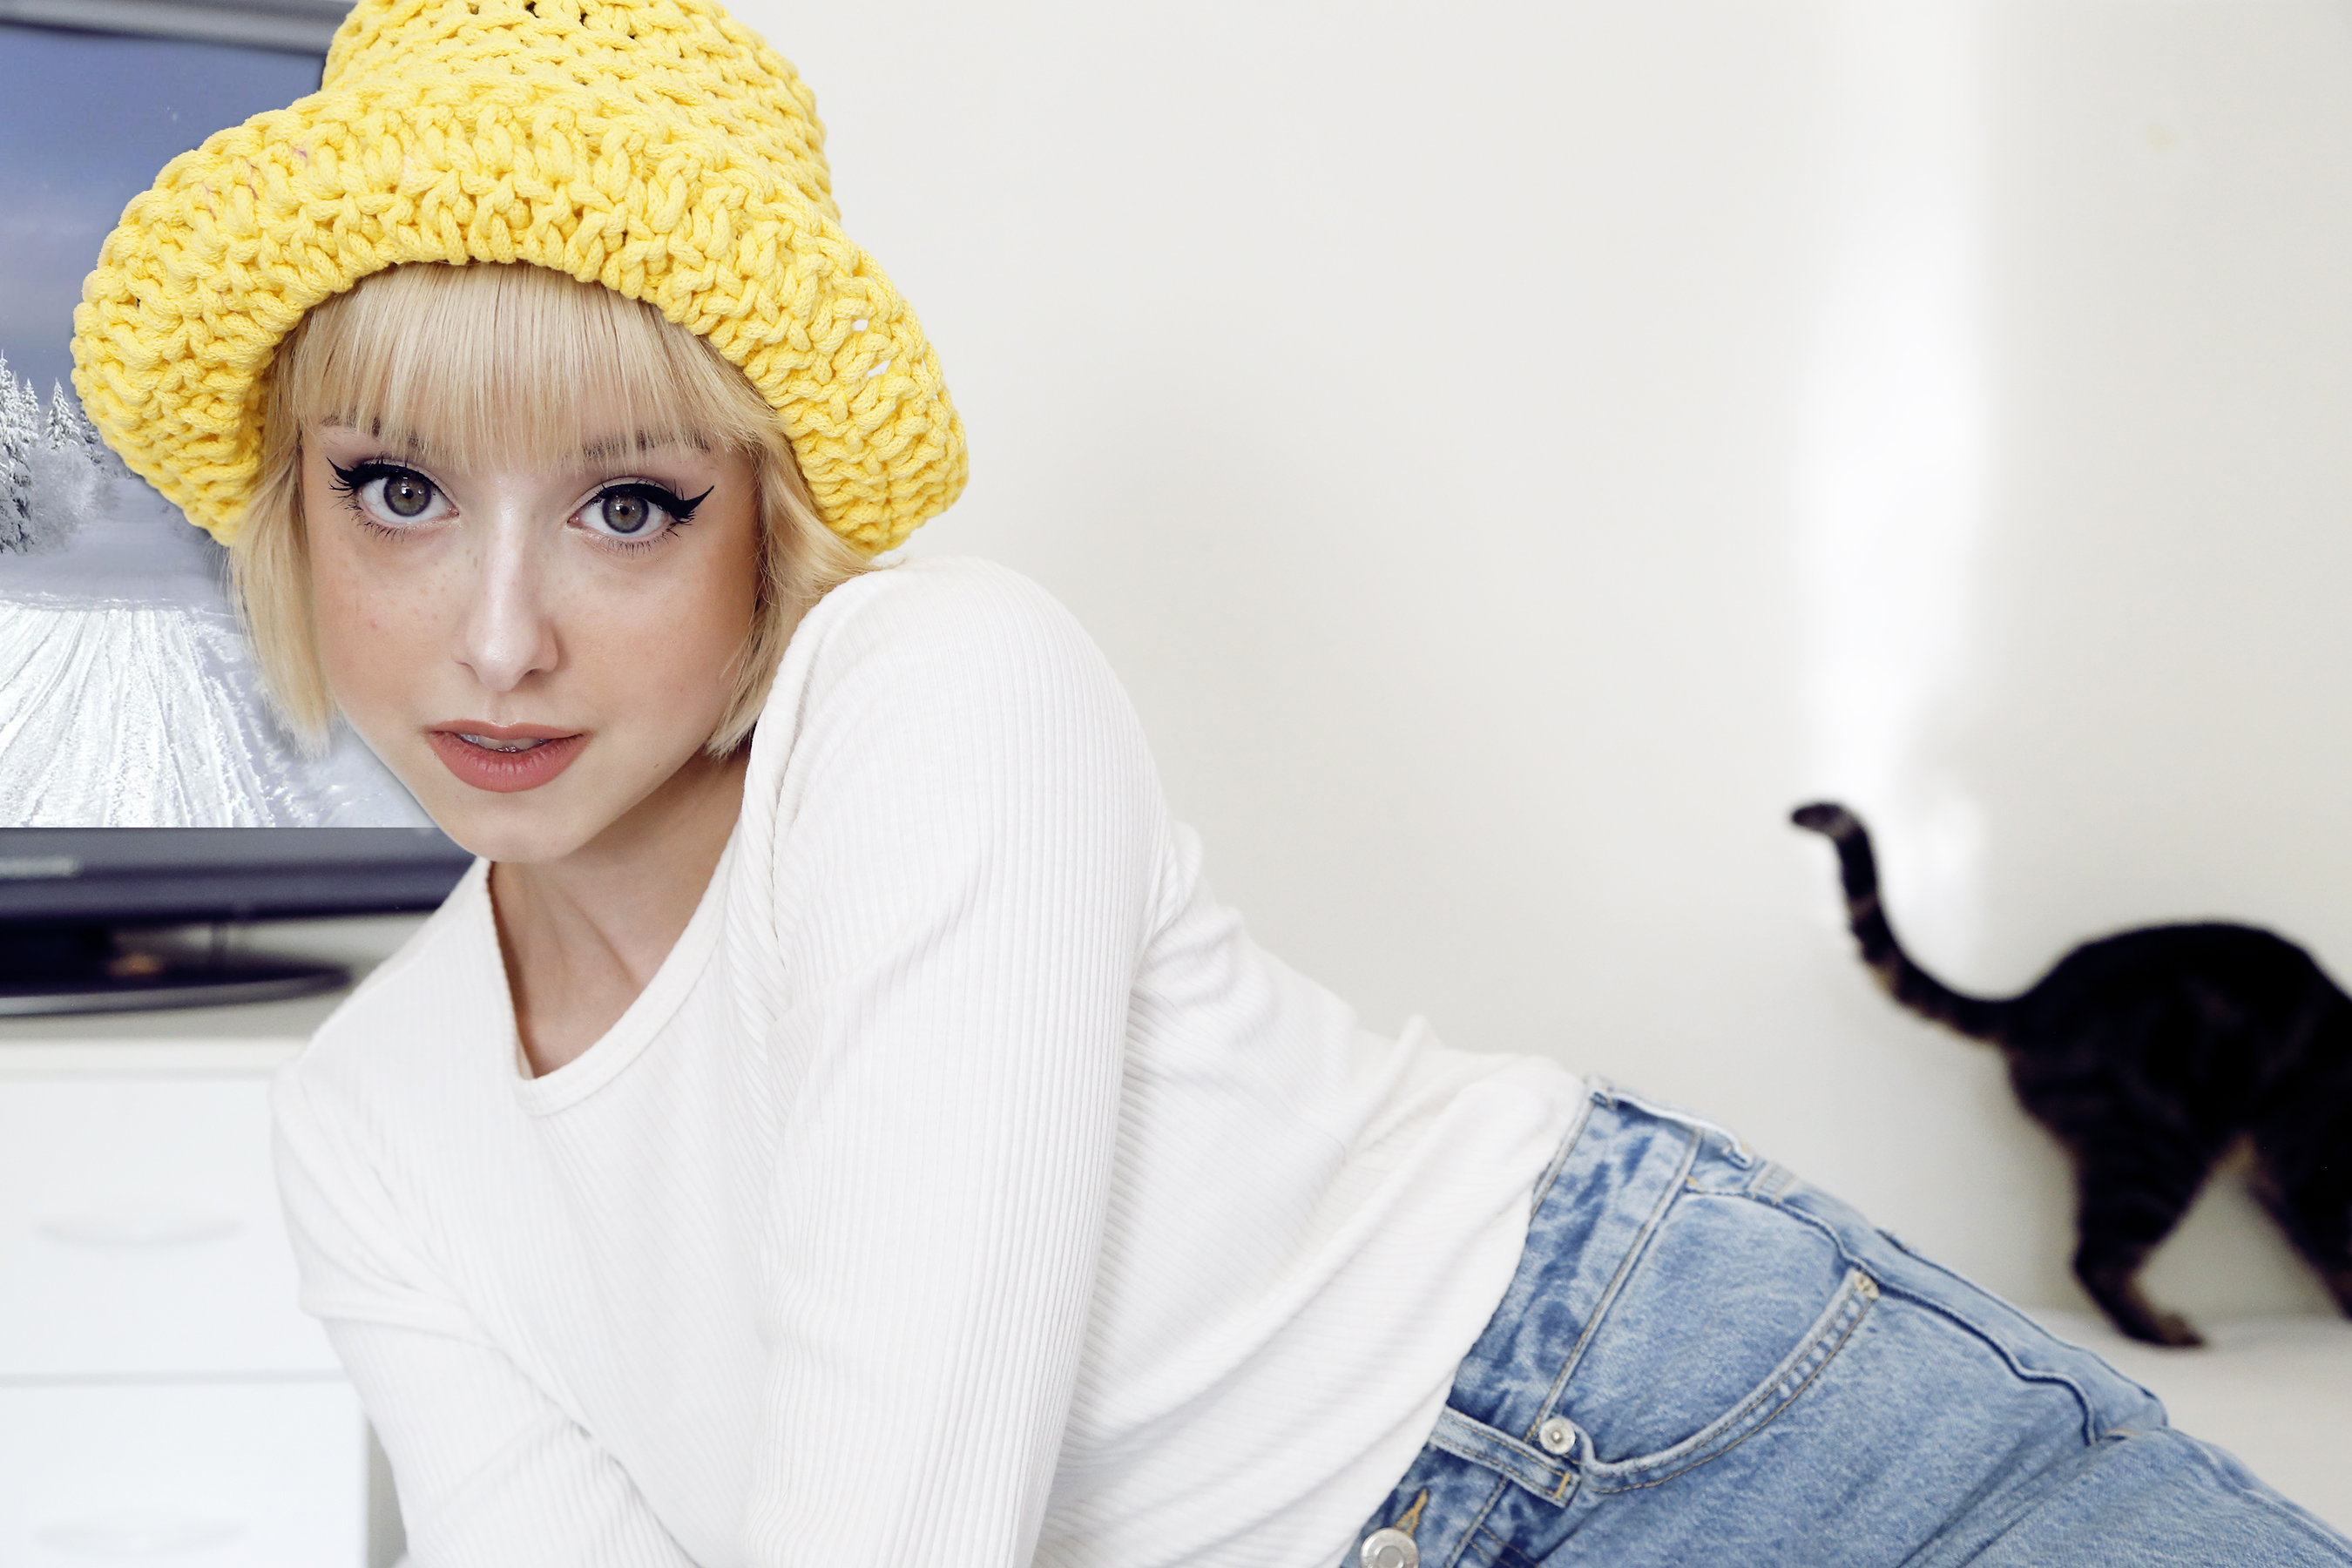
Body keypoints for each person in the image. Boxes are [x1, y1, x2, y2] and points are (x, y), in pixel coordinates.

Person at [71, 2, 2352, 1564]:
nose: (497, 638)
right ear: (283, 507)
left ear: (769, 522)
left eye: (629, 504)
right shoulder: (366, 1128)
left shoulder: (936, 692)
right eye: (394, 488)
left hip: (1659, 1426)